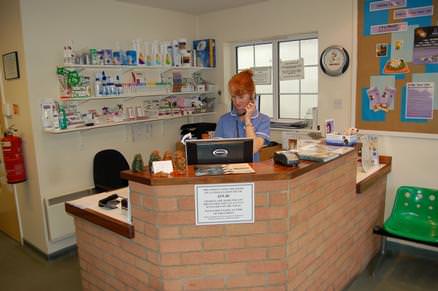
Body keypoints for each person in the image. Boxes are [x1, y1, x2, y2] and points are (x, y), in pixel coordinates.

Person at [215, 70, 270, 162]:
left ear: (252, 96)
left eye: (241, 97)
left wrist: (248, 120)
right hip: (228, 171)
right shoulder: (223, 120)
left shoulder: (263, 120)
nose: (236, 102)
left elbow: (253, 149)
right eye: (233, 97)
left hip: (253, 172)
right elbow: (217, 151)